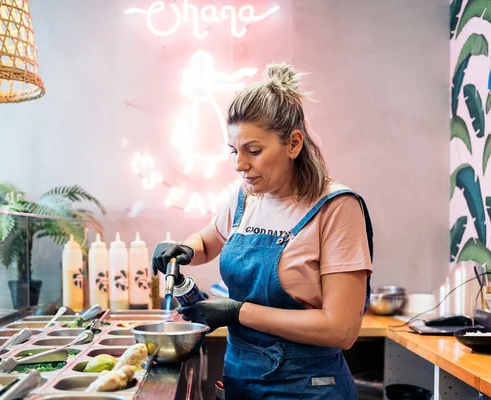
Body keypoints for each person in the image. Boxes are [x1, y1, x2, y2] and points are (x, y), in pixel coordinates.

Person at [152, 62, 373, 399]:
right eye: (234, 151)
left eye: (253, 151)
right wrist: (184, 248)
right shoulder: (247, 197)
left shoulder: (337, 208)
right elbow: (208, 241)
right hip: (242, 379)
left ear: (294, 144)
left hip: (307, 389)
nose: (240, 165)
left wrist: (237, 312)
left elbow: (341, 329)